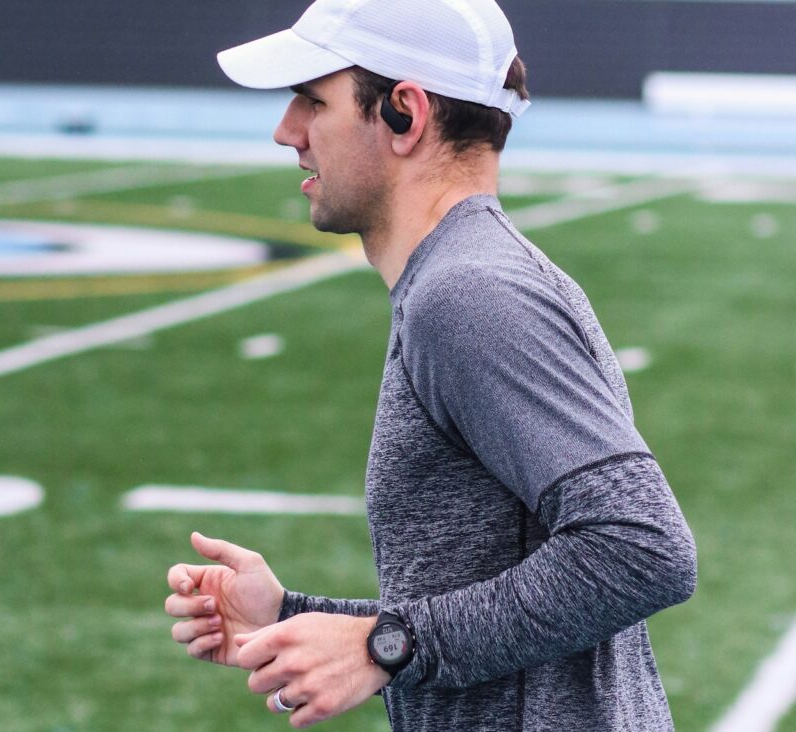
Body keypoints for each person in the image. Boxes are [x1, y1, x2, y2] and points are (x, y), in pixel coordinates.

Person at [164, 0, 698, 729]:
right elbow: (491, 593)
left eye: (313, 101)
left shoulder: (470, 295)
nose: (286, 132)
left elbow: (642, 548)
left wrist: (385, 646)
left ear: (404, 115)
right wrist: (297, 618)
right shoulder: (462, 280)